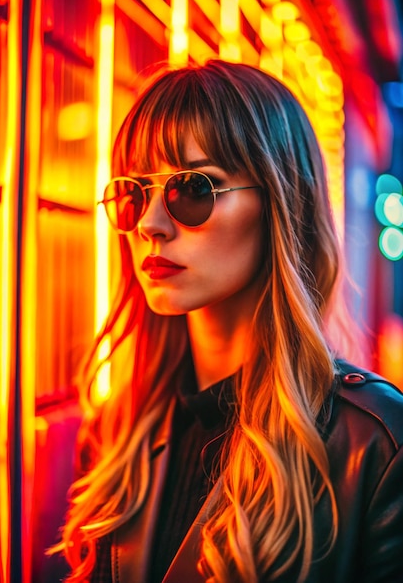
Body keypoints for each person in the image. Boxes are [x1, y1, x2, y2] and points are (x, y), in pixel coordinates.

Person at [55, 60, 403, 583]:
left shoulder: (374, 445)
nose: (150, 225)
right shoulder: (115, 433)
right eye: (134, 193)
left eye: (193, 189)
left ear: (281, 204)